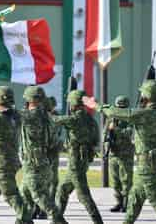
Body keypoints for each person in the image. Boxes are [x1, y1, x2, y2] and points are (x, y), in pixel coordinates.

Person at [83, 80, 156, 224]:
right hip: (154, 161)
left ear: (147, 95)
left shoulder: (145, 113)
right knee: (135, 200)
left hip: (148, 164)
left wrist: (95, 105)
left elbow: (115, 112)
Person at [0, 86, 32, 224]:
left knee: (11, 195)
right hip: (11, 160)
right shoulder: (16, 116)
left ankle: (26, 220)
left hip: (1, 162)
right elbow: (5, 111)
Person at [53, 90, 103, 224]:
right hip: (84, 159)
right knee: (63, 190)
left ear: (74, 104)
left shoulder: (75, 119)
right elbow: (96, 139)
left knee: (83, 196)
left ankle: (98, 221)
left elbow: (55, 120)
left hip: (76, 161)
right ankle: (57, 220)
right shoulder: (90, 119)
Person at [19, 86, 68, 224]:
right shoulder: (49, 117)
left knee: (39, 197)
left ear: (29, 100)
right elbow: (56, 144)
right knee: (24, 195)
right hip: (45, 163)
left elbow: (9, 114)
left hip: (33, 165)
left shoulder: (29, 115)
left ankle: (59, 221)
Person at [31, 96, 62, 220]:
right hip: (49, 153)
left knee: (41, 183)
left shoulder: (43, 118)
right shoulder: (52, 118)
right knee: (49, 182)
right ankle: (41, 208)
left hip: (43, 153)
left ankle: (38, 208)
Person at [104, 95, 134, 213]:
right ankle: (119, 202)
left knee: (126, 180)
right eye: (118, 107)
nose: (120, 110)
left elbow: (129, 133)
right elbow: (105, 133)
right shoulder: (111, 119)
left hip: (125, 154)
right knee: (115, 181)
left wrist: (115, 130)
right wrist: (106, 144)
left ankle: (127, 204)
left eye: (122, 108)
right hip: (113, 153)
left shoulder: (130, 119)